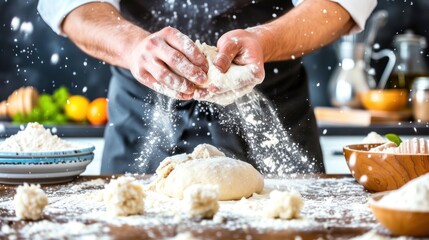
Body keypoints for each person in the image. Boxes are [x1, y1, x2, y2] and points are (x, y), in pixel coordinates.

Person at [37, 0, 376, 175]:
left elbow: (341, 4)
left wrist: (265, 40)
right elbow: (71, 6)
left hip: (271, 101)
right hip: (142, 112)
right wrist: (133, 47)